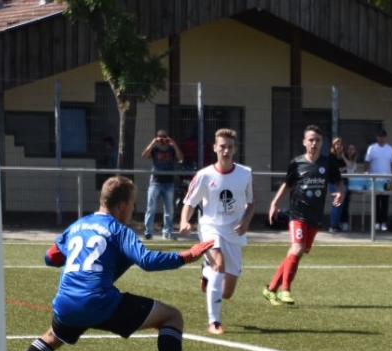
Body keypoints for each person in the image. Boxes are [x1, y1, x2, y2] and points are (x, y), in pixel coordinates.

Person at [6, 175, 214, 351]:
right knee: (172, 317)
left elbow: (50, 257)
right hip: (100, 303)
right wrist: (187, 255)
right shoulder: (119, 231)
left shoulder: (77, 225)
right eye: (133, 204)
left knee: (52, 337)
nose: (134, 209)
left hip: (66, 304)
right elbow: (147, 261)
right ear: (121, 205)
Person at [179, 128, 254, 336]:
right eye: (222, 146)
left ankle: (206, 271)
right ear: (215, 148)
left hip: (234, 232)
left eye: (230, 147)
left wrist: (245, 222)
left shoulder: (245, 174)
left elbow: (251, 204)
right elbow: (189, 203)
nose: (226, 150)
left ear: (235, 149)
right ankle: (214, 322)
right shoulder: (204, 175)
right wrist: (184, 221)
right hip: (210, 227)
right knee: (219, 264)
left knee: (227, 292)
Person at [262, 125, 345, 306]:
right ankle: (285, 290)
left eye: (317, 140)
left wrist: (340, 193)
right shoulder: (297, 163)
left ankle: (270, 289)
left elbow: (339, 183)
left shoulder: (328, 163)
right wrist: (274, 203)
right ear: (304, 142)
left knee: (296, 253)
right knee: (297, 249)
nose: (314, 143)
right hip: (297, 214)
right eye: (311, 140)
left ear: (322, 143)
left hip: (315, 217)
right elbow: (287, 185)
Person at [140, 129, 183, 240]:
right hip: (155, 182)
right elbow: (144, 156)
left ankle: (168, 232)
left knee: (169, 210)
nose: (163, 139)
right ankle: (148, 232)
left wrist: (174, 144)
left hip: (168, 183)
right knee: (151, 208)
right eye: (160, 137)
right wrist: (152, 143)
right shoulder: (154, 149)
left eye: (165, 137)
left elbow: (180, 157)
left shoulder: (171, 149)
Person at [364, 129, 392, 231]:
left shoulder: (390, 149)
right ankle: (376, 222)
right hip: (375, 180)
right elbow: (367, 162)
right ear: (377, 137)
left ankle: (383, 222)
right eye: (379, 136)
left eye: (383, 136)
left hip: (387, 180)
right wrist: (366, 173)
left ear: (385, 138)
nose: (381, 138)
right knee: (376, 201)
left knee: (385, 201)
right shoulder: (371, 148)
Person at [327, 137, 355, 233]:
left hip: (344, 184)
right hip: (334, 184)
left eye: (340, 144)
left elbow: (350, 165)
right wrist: (343, 168)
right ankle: (332, 226)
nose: (339, 146)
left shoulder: (343, 156)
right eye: (337, 144)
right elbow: (335, 170)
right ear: (333, 146)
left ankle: (337, 225)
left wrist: (343, 156)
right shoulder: (331, 156)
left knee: (341, 206)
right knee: (336, 204)